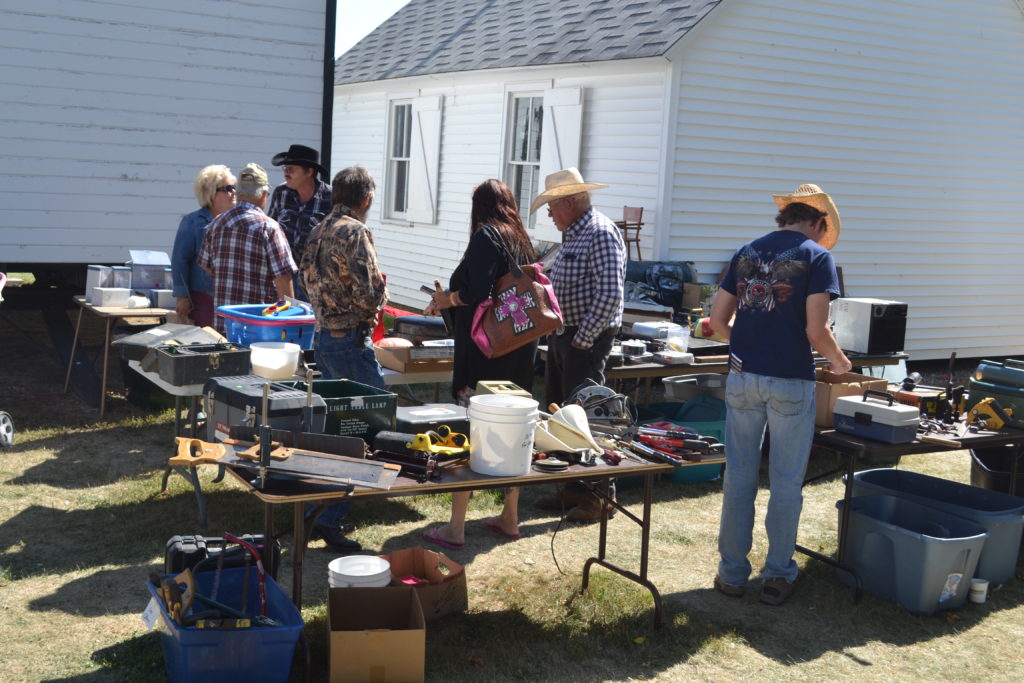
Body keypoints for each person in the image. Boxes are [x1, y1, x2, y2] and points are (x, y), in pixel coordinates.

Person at [710, 183, 852, 606]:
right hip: (791, 379)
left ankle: (732, 574)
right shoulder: (818, 256)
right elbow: (816, 331)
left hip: (743, 377)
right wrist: (841, 363)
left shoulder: (747, 251)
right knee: (786, 482)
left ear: (786, 216)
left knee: (739, 477)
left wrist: (748, 345)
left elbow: (716, 321)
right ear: (818, 222)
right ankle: (776, 576)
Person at [419, 179, 538, 549]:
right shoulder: (521, 238)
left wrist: (446, 298)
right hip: (519, 343)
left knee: (471, 430)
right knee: (517, 428)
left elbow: (476, 293)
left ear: (479, 207)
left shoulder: (487, 235)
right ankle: (510, 516)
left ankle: (456, 527)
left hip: (487, 349)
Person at [297, 166, 388, 552]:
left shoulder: (318, 229)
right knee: (371, 427)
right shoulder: (355, 232)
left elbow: (307, 279)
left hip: (324, 338)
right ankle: (326, 516)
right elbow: (369, 294)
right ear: (365, 199)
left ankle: (315, 509)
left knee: (337, 431)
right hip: (350, 340)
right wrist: (382, 290)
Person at [529, 168, 626, 522]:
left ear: (569, 202)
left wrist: (582, 341)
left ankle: (599, 498)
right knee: (560, 418)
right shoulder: (573, 233)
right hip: (565, 336)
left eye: (552, 207)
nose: (550, 214)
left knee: (586, 420)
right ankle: (572, 490)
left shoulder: (599, 232)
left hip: (585, 339)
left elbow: (610, 294)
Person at [197, 163, 295, 333]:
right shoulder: (269, 227)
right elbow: (283, 280)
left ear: (238, 192)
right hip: (258, 330)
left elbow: (205, 264)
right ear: (264, 194)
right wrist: (291, 321)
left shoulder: (217, 223)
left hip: (224, 326)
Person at [170, 165, 235, 327]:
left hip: (230, 300)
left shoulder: (236, 222)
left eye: (235, 187)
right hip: (202, 300)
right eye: (227, 188)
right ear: (210, 193)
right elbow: (180, 260)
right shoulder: (192, 222)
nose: (234, 193)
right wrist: (181, 297)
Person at [267, 144, 332, 300]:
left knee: (310, 322)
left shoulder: (331, 198)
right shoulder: (281, 193)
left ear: (309, 172)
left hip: (315, 280)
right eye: (285, 169)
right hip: (284, 276)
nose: (286, 174)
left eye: (291, 169)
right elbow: (269, 230)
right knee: (283, 321)